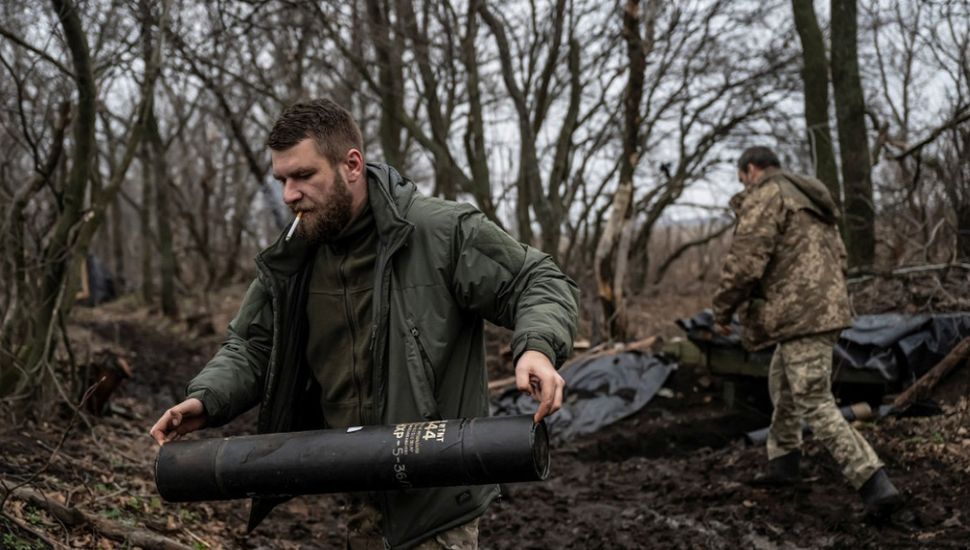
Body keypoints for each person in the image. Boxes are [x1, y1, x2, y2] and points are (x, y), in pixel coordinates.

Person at [149, 99, 580, 549]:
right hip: (357, 486)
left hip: (438, 497)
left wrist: (536, 347)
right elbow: (254, 344)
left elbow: (539, 280)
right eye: (282, 180)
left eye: (303, 176)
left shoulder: (438, 231)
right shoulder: (296, 254)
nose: (288, 195)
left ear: (351, 164)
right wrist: (206, 398)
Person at [711, 146, 902, 515]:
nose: (744, 186)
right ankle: (783, 462)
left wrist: (722, 309)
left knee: (813, 399)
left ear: (751, 169)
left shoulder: (768, 195)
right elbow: (840, 257)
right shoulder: (810, 198)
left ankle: (873, 481)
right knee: (782, 382)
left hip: (800, 316)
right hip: (824, 309)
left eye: (742, 179)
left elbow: (745, 263)